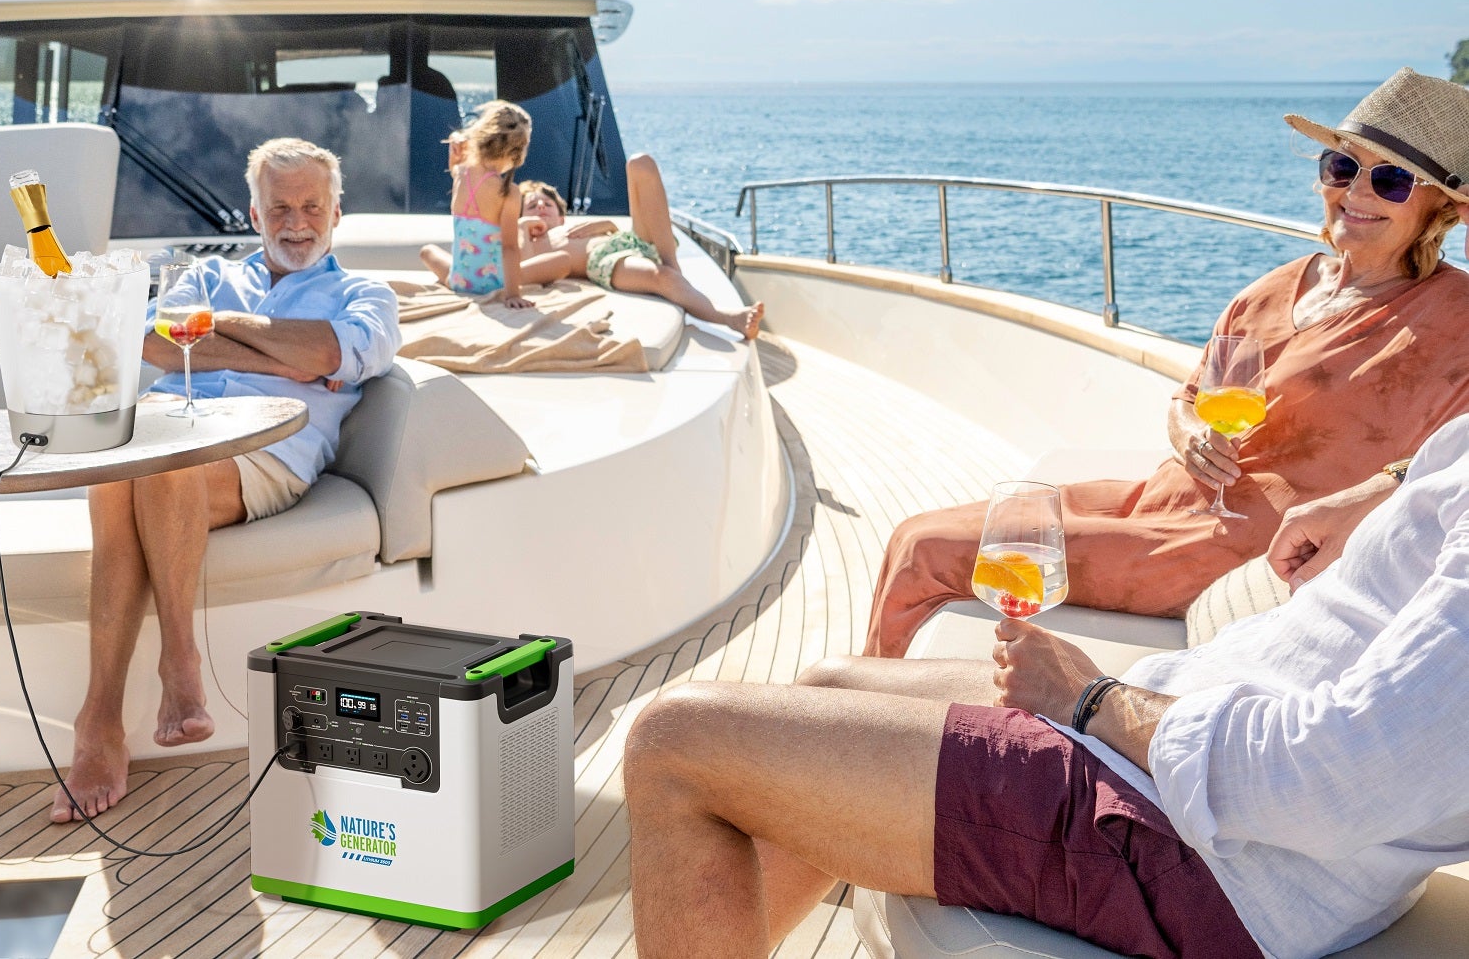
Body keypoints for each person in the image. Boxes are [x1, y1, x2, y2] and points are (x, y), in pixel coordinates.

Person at [624, 410, 1469, 959]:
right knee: (828, 685)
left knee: (675, 745)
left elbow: (1326, 782)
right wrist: (1390, 487)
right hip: (1190, 749)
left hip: (1217, 854)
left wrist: (1090, 702)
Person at [867, 67, 1469, 655]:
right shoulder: (1275, 288)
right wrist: (1192, 435)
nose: (1356, 193)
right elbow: (1189, 398)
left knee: (928, 550)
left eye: (1391, 181)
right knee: (910, 533)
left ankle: (860, 729)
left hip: (1240, 545)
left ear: (1439, 209)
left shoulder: (1454, 318)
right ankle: (866, 712)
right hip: (1164, 500)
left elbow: (1453, 465)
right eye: (1343, 167)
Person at [53, 138, 400, 823]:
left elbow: (325, 354)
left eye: (310, 206)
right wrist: (283, 347)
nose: (296, 222)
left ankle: (131, 697)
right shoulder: (207, 276)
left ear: (337, 212)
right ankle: (142, 691)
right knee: (129, 461)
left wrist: (228, 330)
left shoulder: (366, 294)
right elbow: (149, 341)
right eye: (279, 208)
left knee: (154, 457)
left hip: (266, 454)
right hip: (171, 439)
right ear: (254, 213)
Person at [517, 154, 764, 340]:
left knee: (640, 163)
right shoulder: (527, 240)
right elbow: (526, 268)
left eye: (547, 203)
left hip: (629, 240)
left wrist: (608, 225)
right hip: (604, 260)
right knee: (661, 276)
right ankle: (731, 318)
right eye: (532, 205)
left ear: (561, 215)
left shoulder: (570, 226)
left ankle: (671, 263)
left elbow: (614, 230)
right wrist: (522, 227)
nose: (540, 207)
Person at [419, 100, 533, 309]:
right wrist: (512, 294)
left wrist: (457, 149)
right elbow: (509, 248)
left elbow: (455, 166)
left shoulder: (462, 173)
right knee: (553, 258)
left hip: (459, 281)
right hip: (496, 283)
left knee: (427, 251)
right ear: (517, 152)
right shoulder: (509, 192)